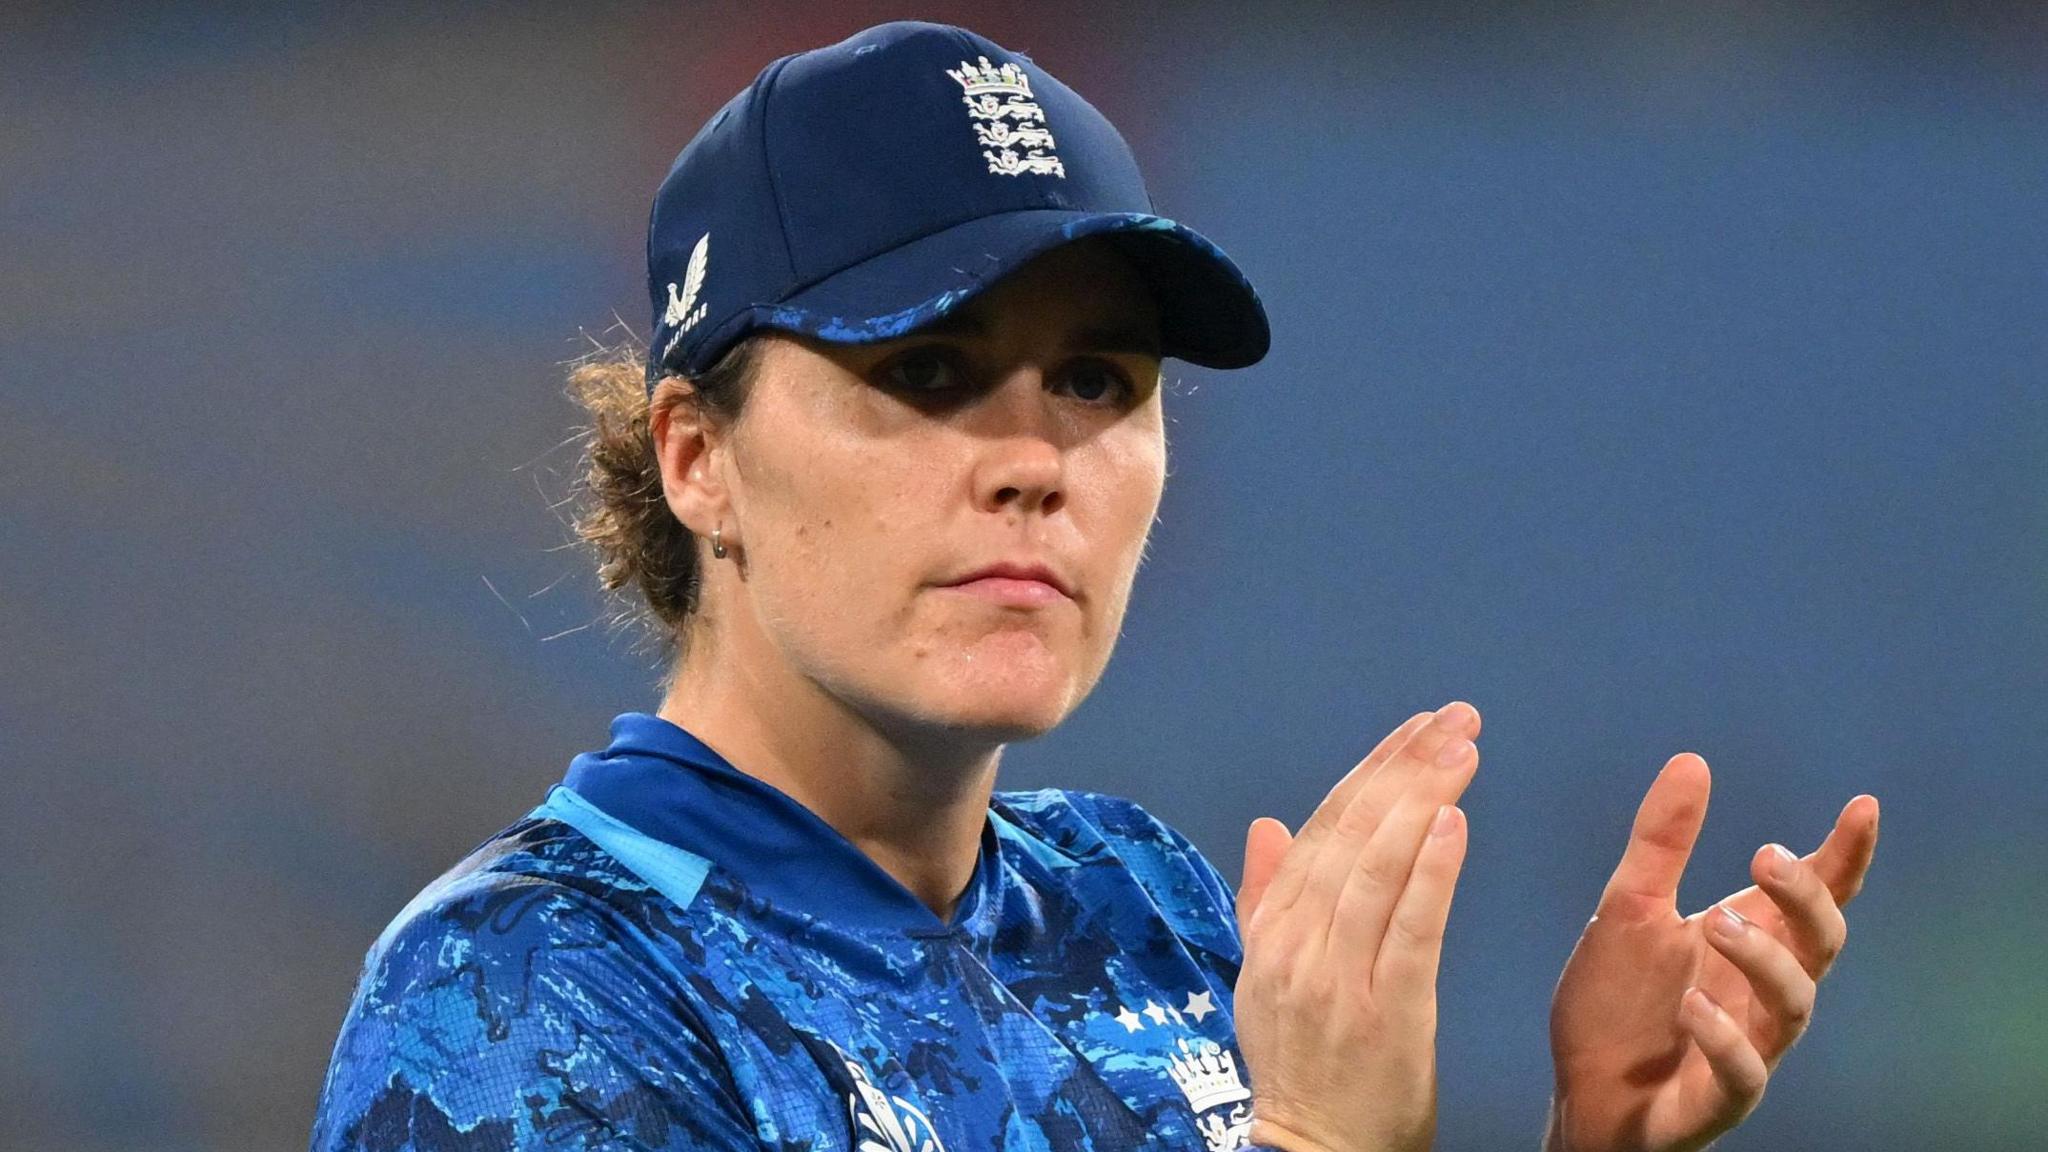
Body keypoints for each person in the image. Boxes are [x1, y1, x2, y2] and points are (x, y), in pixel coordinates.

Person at [309, 20, 1880, 1152]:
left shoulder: (1136, 904)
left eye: (1097, 380)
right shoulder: (525, 993)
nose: (1036, 460)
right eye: (928, 369)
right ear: (697, 458)